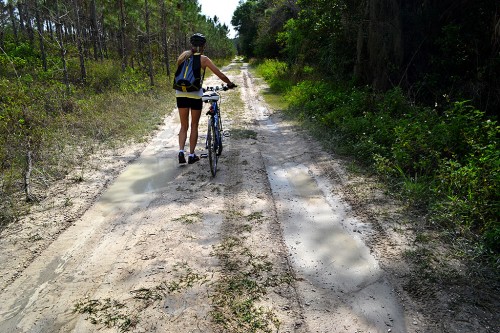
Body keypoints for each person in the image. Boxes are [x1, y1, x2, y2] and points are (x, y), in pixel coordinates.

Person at [175, 33, 236, 164]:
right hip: (195, 94)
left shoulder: (182, 56)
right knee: (194, 125)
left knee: (183, 125)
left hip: (180, 93)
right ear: (203, 46)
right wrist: (230, 83)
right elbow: (220, 74)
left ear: (191, 44)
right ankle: (191, 155)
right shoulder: (204, 59)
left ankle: (181, 151)